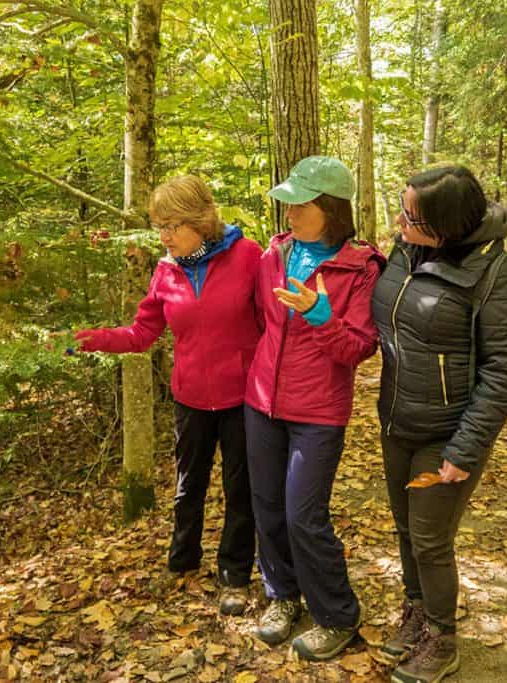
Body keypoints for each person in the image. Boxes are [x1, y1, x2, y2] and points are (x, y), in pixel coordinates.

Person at [74, 175, 261, 616]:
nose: (164, 235)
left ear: (200, 220)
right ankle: (182, 563)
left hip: (242, 398)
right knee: (187, 487)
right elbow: (142, 333)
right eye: (160, 226)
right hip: (191, 398)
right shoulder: (166, 270)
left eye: (173, 225)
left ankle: (235, 575)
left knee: (242, 490)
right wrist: (91, 339)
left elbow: (273, 322)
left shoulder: (248, 256)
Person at [371, 165, 507, 682]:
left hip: (447, 434)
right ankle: (415, 616)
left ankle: (441, 638)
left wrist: (465, 449)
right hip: (397, 419)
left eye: (411, 217)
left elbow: (506, 373)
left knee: (430, 538)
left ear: (446, 224)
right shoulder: (405, 249)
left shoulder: (496, 273)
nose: (398, 221)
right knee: (404, 528)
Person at [244, 156, 385, 661]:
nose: (289, 214)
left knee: (304, 515)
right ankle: (282, 596)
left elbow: (359, 349)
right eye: (287, 204)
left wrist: (320, 316)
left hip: (318, 410)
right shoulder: (274, 254)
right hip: (261, 402)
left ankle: (338, 616)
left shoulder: (362, 267)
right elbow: (261, 322)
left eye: (300, 205)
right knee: (269, 508)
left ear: (330, 209)